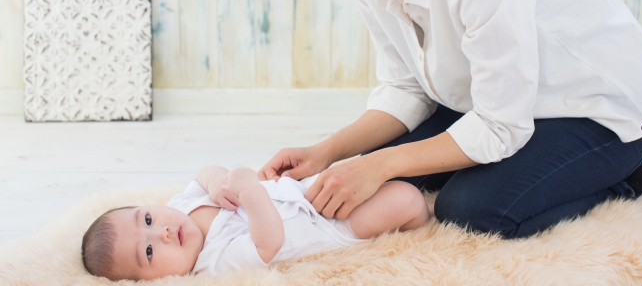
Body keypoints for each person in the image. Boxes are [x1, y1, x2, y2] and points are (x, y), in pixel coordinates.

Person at [254, 0, 642, 239]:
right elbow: (406, 89)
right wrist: (326, 151)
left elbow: (500, 125)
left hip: (604, 113)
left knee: (471, 209)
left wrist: (381, 163)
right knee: (379, 175)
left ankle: (622, 181)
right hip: (503, 103)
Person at [81, 165, 430, 280]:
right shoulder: (212, 262)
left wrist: (217, 181)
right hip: (327, 227)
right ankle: (421, 226)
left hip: (302, 191)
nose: (164, 231)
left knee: (365, 170)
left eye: (147, 219)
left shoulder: (181, 206)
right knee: (406, 198)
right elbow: (269, 242)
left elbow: (204, 174)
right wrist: (251, 193)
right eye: (149, 250)